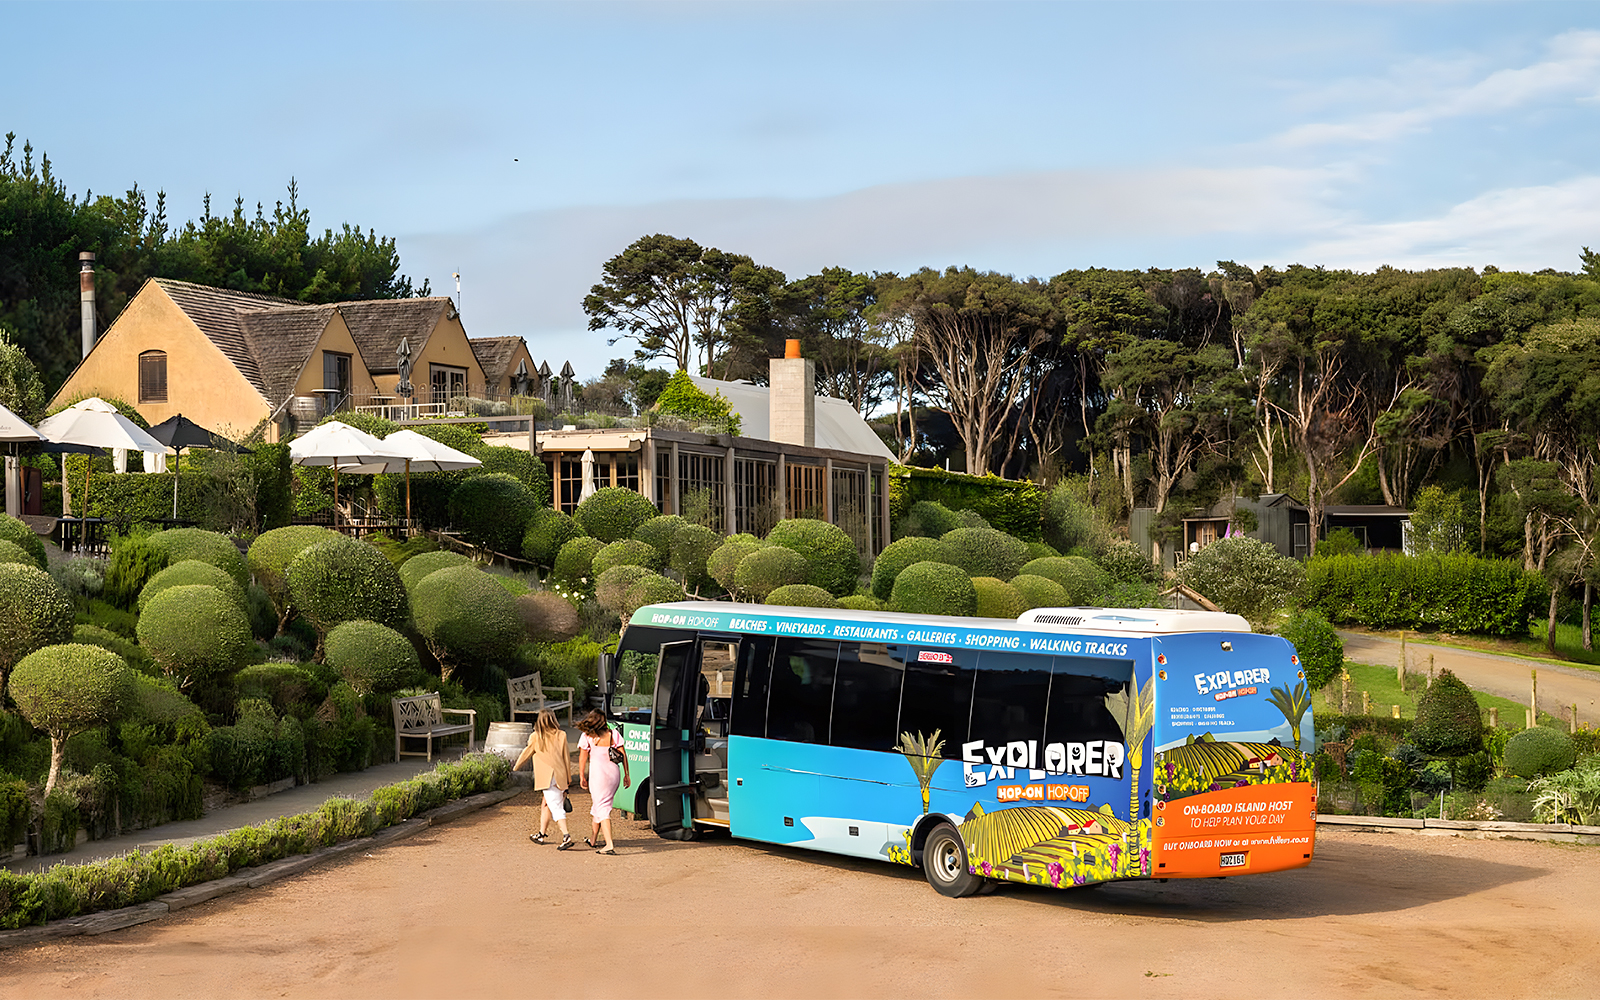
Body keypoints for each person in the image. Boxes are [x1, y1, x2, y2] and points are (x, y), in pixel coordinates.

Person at [513, 710, 577, 850]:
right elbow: (566, 756)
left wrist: (515, 767)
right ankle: (541, 834)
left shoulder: (536, 736)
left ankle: (566, 836)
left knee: (556, 807)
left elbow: (526, 753)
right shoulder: (561, 735)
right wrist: (568, 777)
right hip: (559, 775)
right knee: (546, 804)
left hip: (546, 777)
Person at [577, 709, 630, 855]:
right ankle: (593, 839)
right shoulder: (613, 734)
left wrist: (582, 775)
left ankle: (609, 844)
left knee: (603, 808)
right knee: (599, 806)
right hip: (613, 775)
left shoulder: (587, 735)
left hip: (598, 776)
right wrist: (627, 775)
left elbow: (582, 758)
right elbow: (623, 755)